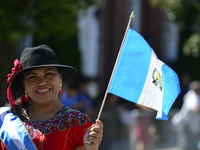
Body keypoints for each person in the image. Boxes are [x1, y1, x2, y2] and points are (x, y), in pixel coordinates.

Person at [0, 45, 103, 150]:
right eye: (32, 77)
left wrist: (91, 148)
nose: (42, 82)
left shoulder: (79, 123)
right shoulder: (6, 121)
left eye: (49, 74)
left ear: (60, 79)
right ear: (24, 85)